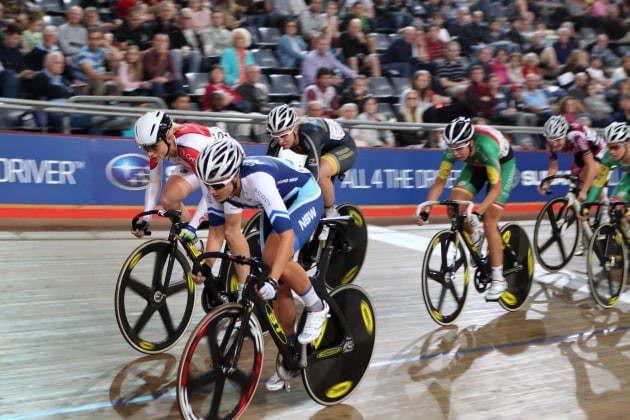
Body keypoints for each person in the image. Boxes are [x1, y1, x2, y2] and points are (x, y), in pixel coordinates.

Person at [193, 137, 329, 391]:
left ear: (234, 177)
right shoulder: (216, 186)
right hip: (274, 203)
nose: (211, 191)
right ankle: (292, 351)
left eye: (217, 186)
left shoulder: (257, 179)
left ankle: (317, 306)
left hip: (303, 196)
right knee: (275, 279)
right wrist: (206, 266)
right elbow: (217, 233)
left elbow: (287, 237)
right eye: (207, 185)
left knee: (279, 262)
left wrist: (272, 278)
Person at [415, 117, 517, 301]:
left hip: (501, 163)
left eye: (459, 149)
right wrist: (426, 210)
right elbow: (440, 182)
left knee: (489, 221)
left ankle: (498, 279)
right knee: (454, 209)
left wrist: (478, 213)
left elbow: (496, 189)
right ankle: (474, 237)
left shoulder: (486, 146)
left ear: (470, 142)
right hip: (475, 165)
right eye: (452, 149)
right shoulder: (453, 150)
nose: (455, 154)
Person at [265, 104, 357, 218]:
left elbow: (313, 176)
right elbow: (268, 169)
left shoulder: (310, 134)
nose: (279, 141)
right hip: (322, 148)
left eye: (284, 136)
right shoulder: (279, 136)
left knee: (320, 174)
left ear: (295, 128)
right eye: (275, 137)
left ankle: (331, 213)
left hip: (344, 147)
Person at [539, 115, 605, 206]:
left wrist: (584, 191)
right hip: (580, 152)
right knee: (576, 180)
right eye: (551, 141)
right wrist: (546, 184)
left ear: (565, 135)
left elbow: (592, 166)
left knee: (583, 178)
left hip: (597, 149)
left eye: (558, 140)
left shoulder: (576, 136)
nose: (554, 144)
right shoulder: (550, 142)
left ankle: (605, 203)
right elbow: (553, 167)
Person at [584, 122, 630, 220]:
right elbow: (599, 183)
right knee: (613, 210)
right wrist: (588, 205)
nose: (612, 151)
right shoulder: (608, 157)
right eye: (609, 147)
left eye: (616, 147)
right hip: (628, 177)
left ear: (626, 144)